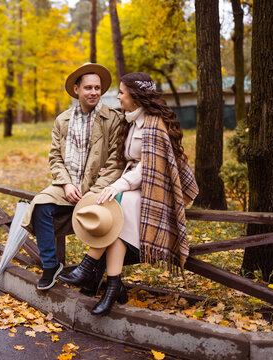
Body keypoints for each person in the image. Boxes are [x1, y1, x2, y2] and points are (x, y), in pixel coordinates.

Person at [58, 72, 199, 315]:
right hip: (137, 184)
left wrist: (118, 185)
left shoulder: (155, 124)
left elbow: (150, 168)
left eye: (122, 92)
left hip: (157, 188)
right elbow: (132, 161)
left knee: (116, 204)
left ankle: (88, 267)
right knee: (116, 218)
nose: (118, 96)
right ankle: (112, 286)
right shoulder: (131, 120)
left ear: (135, 95)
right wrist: (113, 173)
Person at [21, 63, 123, 290]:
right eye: (88, 87)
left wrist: (96, 189)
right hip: (69, 184)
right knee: (40, 206)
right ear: (76, 90)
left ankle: (94, 277)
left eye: (97, 88)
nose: (94, 92)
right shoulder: (62, 120)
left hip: (99, 188)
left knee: (106, 224)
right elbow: (55, 158)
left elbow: (117, 160)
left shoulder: (113, 119)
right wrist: (66, 184)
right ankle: (50, 266)